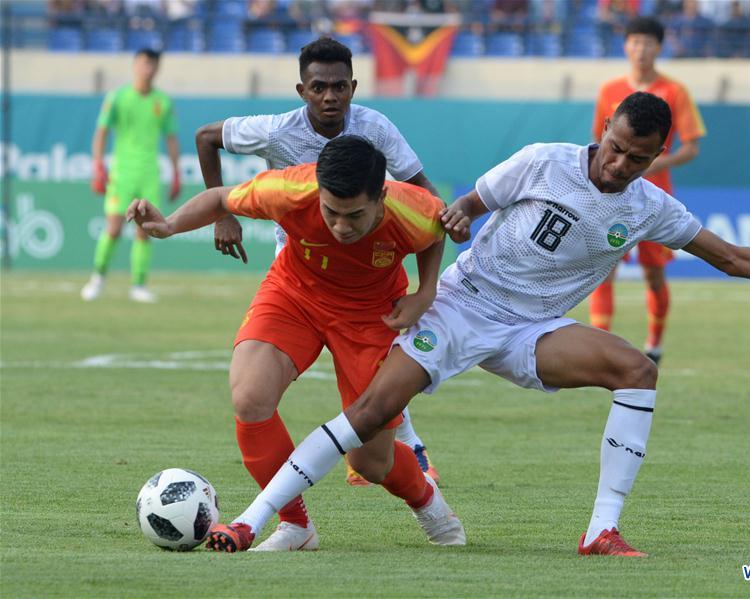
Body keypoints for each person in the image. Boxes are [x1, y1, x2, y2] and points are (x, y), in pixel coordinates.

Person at [201, 92, 750, 555]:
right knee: (372, 413)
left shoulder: (651, 206)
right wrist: (455, 222)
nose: (618, 165)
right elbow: (463, 205)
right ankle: (256, 519)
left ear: (659, 155)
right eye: (615, 147)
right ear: (605, 127)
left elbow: (732, 255)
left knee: (636, 368)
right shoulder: (544, 159)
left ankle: (600, 531)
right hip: (463, 304)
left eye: (637, 158)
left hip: (532, 330)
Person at [127, 135, 466, 552]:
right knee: (250, 398)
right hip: (295, 294)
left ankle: (429, 503)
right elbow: (220, 199)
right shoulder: (289, 189)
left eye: (355, 216)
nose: (341, 226)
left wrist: (426, 291)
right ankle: (295, 526)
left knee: (370, 462)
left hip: (371, 315)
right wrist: (169, 226)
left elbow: (435, 235)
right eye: (330, 212)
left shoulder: (415, 208)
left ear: (381, 196)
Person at [195, 36, 441, 487]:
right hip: (299, 266)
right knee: (256, 390)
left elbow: (424, 192)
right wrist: (223, 217)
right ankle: (296, 515)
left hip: (366, 269)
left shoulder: (376, 128)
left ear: (353, 87)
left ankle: (404, 446)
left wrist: (431, 265)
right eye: (319, 87)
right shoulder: (276, 129)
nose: (330, 97)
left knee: (370, 371)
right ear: (301, 90)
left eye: (340, 87)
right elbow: (207, 137)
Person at [587, 16, 706, 364]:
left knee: (653, 274)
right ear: (626, 46)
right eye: (635, 42)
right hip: (612, 196)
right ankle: (599, 344)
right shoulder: (609, 91)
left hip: (654, 201)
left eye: (648, 43)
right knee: (602, 269)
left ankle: (654, 345)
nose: (641, 49)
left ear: (659, 47)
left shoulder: (674, 91)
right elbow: (598, 141)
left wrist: (652, 165)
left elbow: (691, 146)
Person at [81, 48, 180, 303]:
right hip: (122, 173)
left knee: (144, 230)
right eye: (145, 63)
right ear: (136, 64)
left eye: (154, 65)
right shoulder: (117, 97)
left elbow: (170, 138)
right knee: (113, 228)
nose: (149, 69)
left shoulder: (163, 101)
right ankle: (98, 277)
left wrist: (176, 171)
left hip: (149, 174)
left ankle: (138, 284)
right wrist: (98, 165)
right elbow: (101, 132)